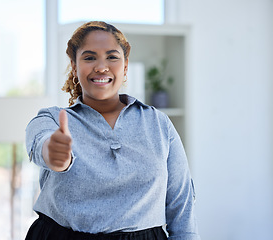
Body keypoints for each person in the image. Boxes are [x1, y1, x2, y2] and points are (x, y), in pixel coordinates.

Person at [25, 21, 200, 240]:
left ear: (125, 65)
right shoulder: (52, 119)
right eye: (89, 57)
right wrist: (53, 154)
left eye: (112, 57)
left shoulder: (159, 123)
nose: (101, 66)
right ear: (74, 65)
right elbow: (39, 142)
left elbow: (180, 205)